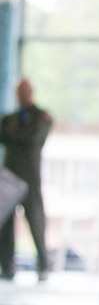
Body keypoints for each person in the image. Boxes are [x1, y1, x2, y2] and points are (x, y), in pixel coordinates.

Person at [0, 79, 52, 281]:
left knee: (36, 221)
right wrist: (19, 134)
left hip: (31, 177)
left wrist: (14, 135)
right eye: (19, 91)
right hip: (10, 177)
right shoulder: (9, 119)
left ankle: (43, 265)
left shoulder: (42, 117)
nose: (23, 95)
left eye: (26, 91)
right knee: (5, 224)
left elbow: (33, 140)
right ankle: (7, 266)